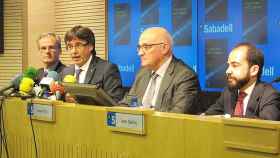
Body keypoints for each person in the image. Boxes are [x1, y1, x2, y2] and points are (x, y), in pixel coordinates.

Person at [123, 27, 200, 114]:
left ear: (164, 48)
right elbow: (128, 103)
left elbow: (177, 116)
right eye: (139, 47)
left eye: (146, 47)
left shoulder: (185, 76)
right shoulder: (142, 73)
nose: (140, 53)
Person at [205, 42, 280, 121]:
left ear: (254, 70)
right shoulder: (228, 92)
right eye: (228, 65)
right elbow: (207, 117)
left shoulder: (270, 96)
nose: (227, 71)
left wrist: (226, 118)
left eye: (235, 65)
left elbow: (265, 128)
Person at [60, 25, 124, 102]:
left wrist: (80, 100)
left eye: (78, 45)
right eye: (70, 46)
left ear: (91, 46)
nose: (74, 51)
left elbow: (115, 102)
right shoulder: (66, 71)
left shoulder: (107, 69)